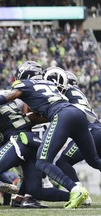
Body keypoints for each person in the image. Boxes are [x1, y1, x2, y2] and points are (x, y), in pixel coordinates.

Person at [0, 60, 101, 209]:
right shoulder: (48, 85)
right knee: (91, 161)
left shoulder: (19, 88)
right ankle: (79, 196)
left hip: (22, 137)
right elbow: (34, 116)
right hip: (72, 118)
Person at [44, 68, 100, 206]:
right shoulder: (76, 93)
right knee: (95, 162)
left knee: (63, 162)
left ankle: (80, 192)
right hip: (97, 128)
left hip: (89, 130)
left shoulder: (61, 93)